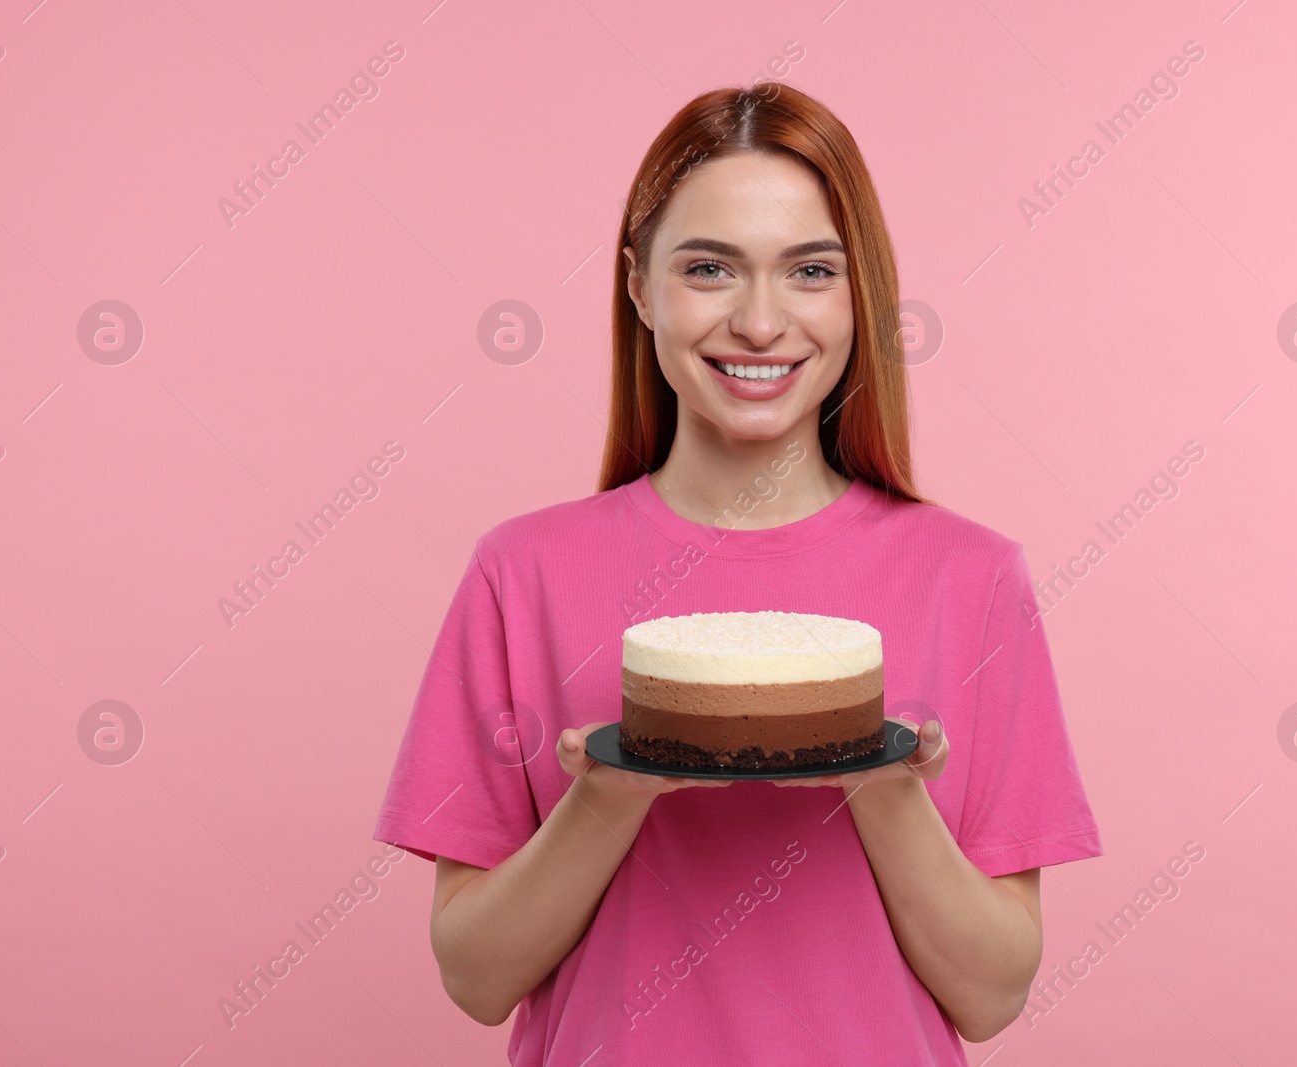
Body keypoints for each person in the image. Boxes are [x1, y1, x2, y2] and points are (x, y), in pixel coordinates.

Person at [373, 81, 1102, 1065]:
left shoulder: (972, 580)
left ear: (861, 294)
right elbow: (476, 976)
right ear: (637, 285)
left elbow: (990, 992)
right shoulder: (522, 573)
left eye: (809, 270)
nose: (760, 323)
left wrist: (883, 779)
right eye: (709, 267)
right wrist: (612, 787)